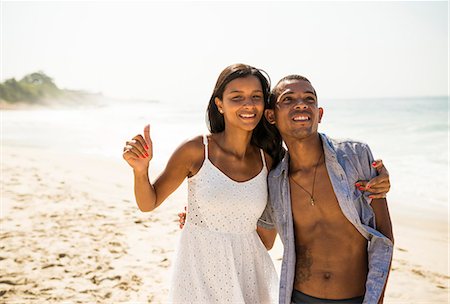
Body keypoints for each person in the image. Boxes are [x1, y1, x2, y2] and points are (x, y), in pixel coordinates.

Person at [123, 64, 280, 303]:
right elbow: (148, 203)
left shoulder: (267, 161)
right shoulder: (196, 150)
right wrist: (140, 171)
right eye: (237, 97)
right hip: (198, 271)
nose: (248, 105)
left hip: (248, 274)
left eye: (256, 97)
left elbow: (266, 241)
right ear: (219, 104)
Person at [257, 75, 394, 304]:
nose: (301, 104)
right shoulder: (274, 181)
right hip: (299, 298)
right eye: (288, 99)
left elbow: (384, 233)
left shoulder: (355, 157)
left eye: (308, 99)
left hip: (356, 298)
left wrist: (377, 298)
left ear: (319, 114)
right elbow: (265, 241)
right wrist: (206, 213)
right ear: (271, 115)